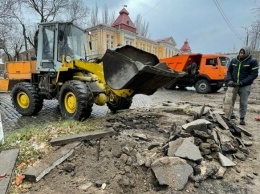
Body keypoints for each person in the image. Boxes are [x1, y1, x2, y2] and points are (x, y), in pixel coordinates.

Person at [227, 46, 259, 125]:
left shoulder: (252, 61)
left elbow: (253, 74)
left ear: (247, 53)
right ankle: (229, 114)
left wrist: (242, 82)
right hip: (234, 84)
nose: (241, 54)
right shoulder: (234, 60)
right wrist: (230, 80)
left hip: (245, 85)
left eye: (243, 53)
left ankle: (242, 118)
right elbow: (229, 71)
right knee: (229, 101)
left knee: (243, 102)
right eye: (240, 53)